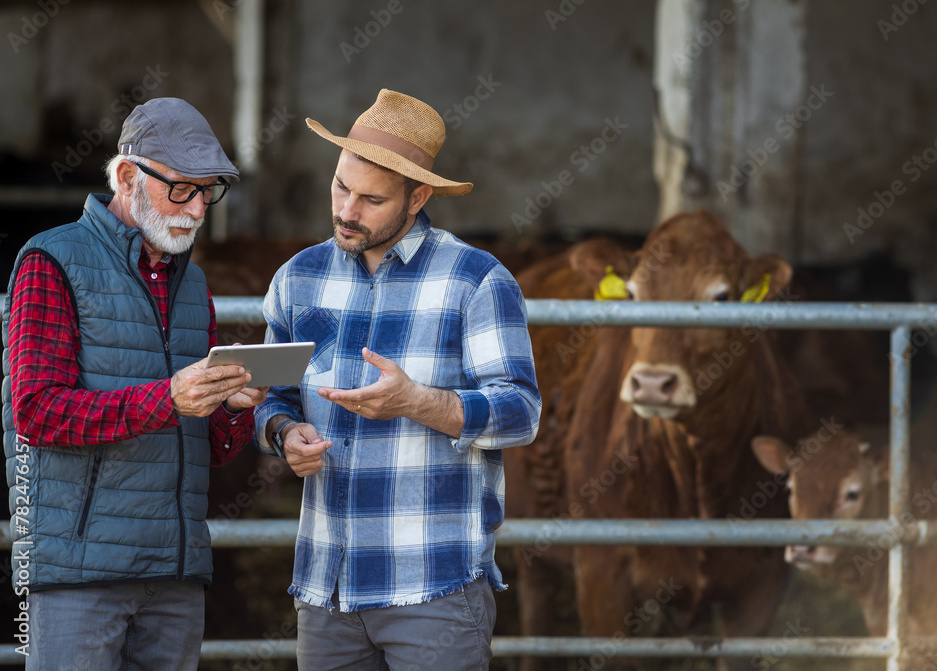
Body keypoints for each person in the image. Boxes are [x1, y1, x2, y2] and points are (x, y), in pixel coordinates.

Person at [254, 89, 541, 670]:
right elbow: (273, 396)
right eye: (340, 187)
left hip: (433, 582)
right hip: (326, 582)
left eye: (371, 199)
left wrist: (417, 401)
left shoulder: (476, 281)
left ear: (419, 197)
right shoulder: (297, 278)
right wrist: (283, 433)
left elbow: (520, 413)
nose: (346, 210)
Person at [2, 97, 267, 670]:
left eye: (207, 191)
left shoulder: (193, 283)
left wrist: (236, 405)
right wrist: (168, 398)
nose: (197, 210)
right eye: (182, 189)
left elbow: (212, 448)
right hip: (79, 574)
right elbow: (37, 412)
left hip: (175, 574)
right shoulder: (51, 261)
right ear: (126, 176)